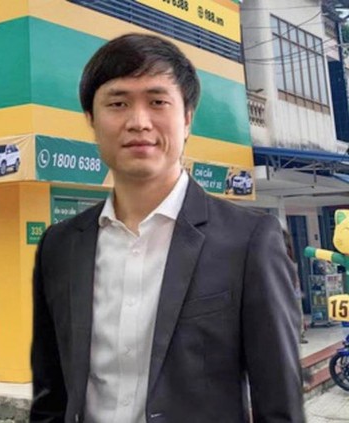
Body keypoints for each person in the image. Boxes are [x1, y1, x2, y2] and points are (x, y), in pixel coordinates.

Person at [31, 33, 304, 422]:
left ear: (187, 118)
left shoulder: (249, 241)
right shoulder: (59, 246)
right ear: (91, 119)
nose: (138, 122)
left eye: (157, 102)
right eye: (118, 103)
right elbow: (51, 395)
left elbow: (279, 405)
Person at [282, 229, 308, 344]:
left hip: (294, 292)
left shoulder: (289, 261)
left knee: (298, 313)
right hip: (286, 293)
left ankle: (299, 335)